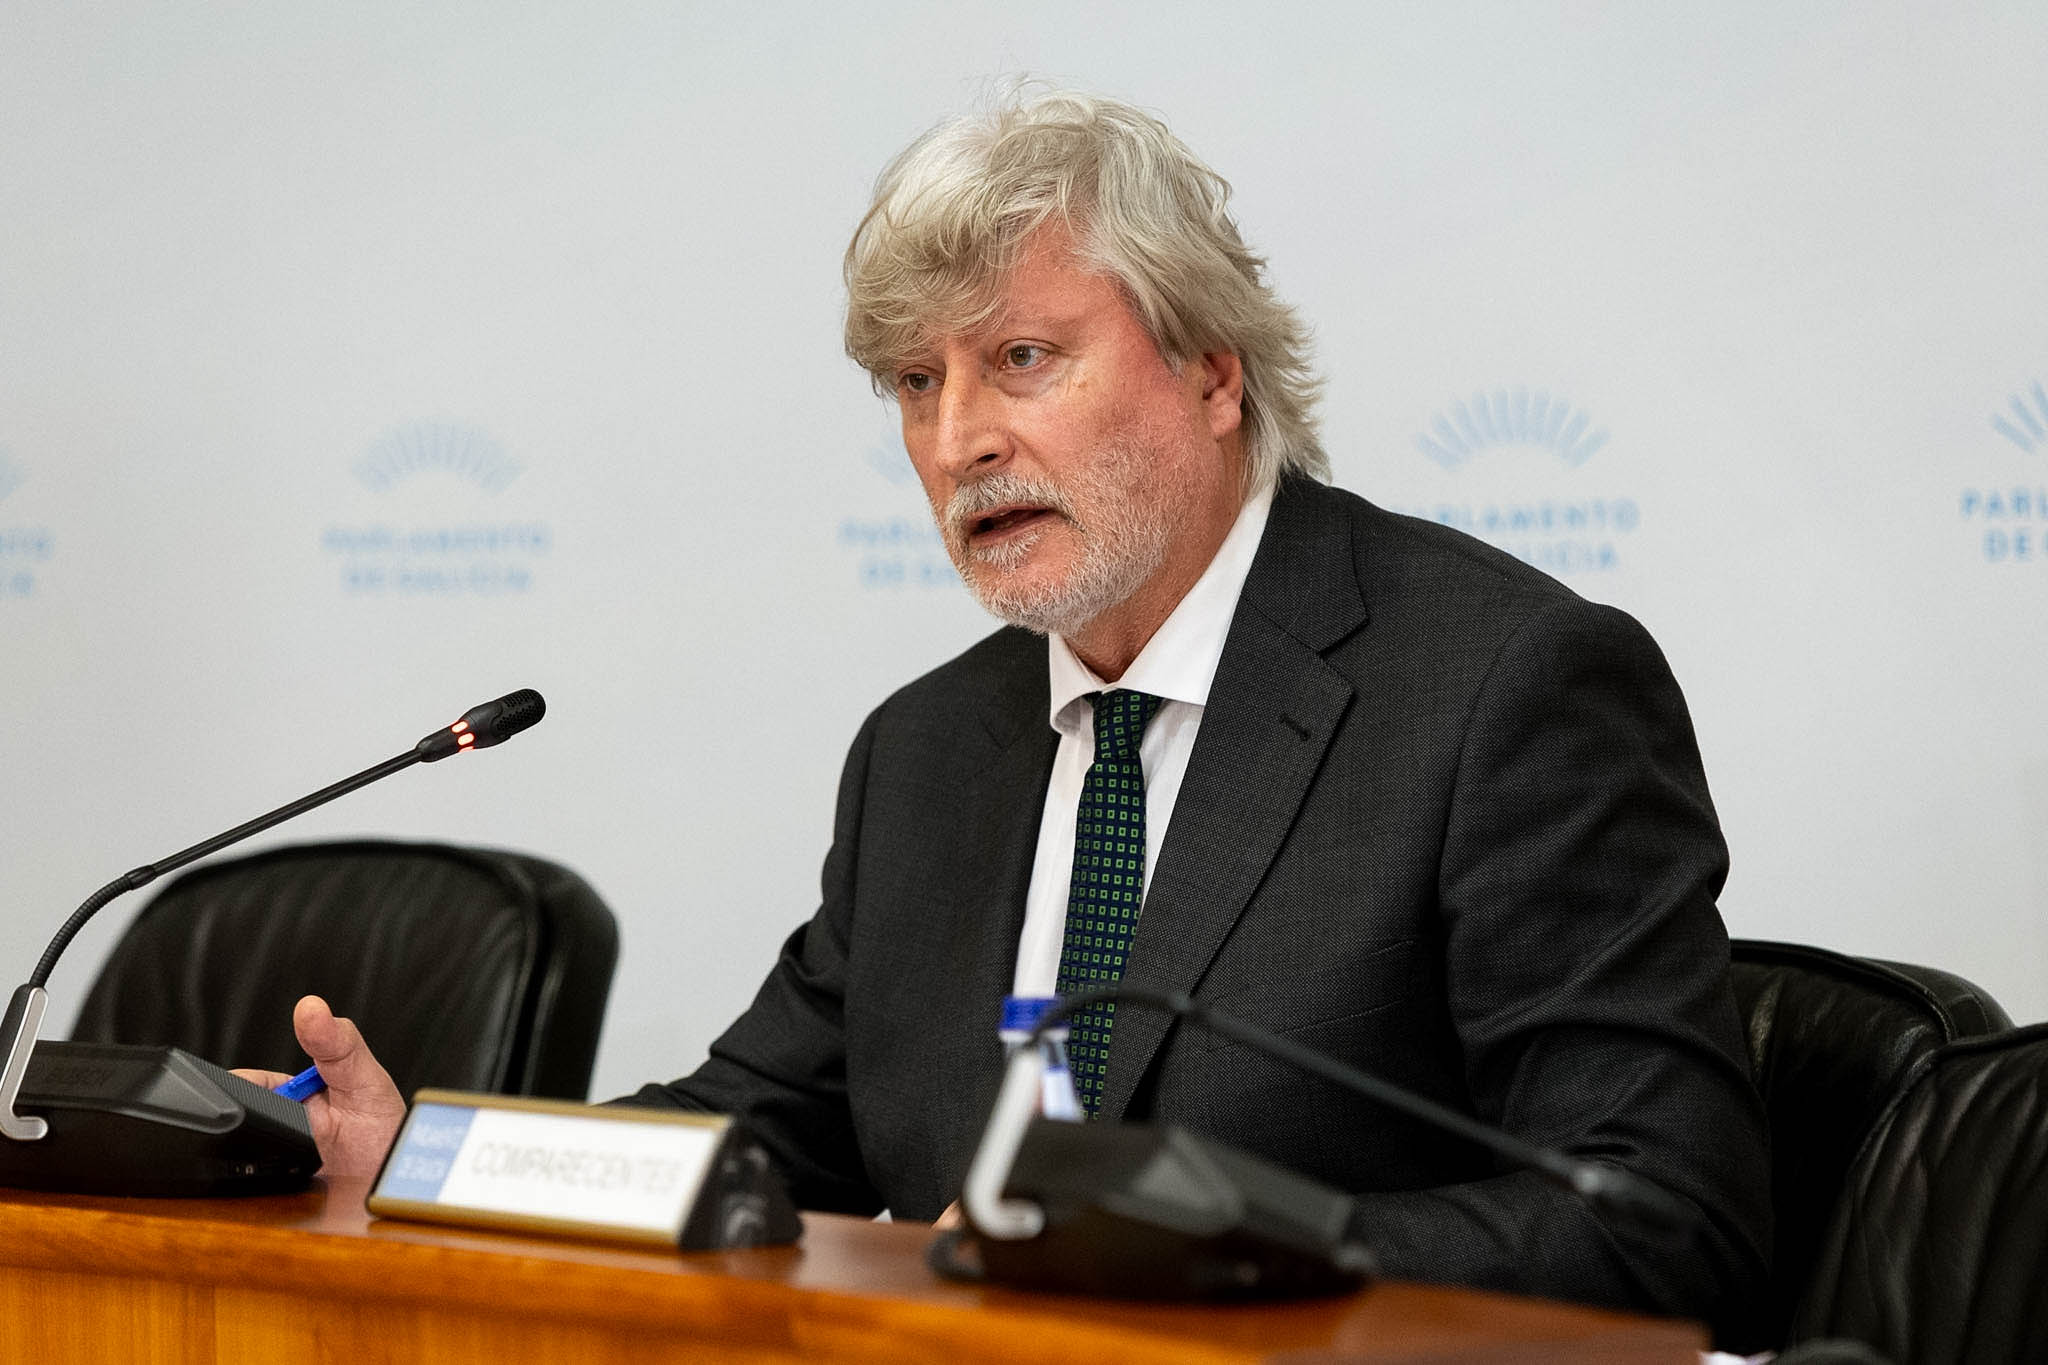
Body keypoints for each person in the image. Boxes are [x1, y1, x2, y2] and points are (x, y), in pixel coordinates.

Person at [248, 90, 1770, 1327]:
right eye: (917, 384)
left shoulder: (1503, 688)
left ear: (1213, 374)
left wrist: (1199, 1254)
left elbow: (1662, 1218)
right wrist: (423, 1161)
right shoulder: (929, 750)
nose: (959, 438)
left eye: (1022, 359)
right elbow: (757, 1130)